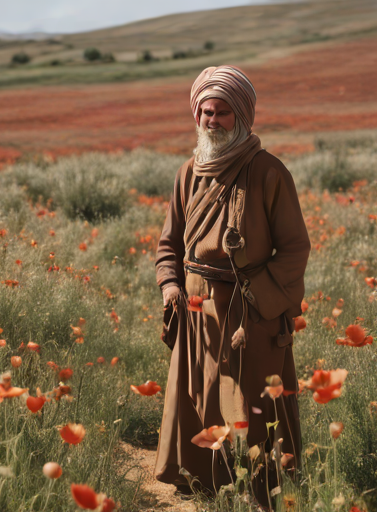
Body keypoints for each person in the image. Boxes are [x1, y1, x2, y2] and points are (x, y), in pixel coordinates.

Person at [153, 65, 310, 508]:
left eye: (223, 112)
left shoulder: (269, 172)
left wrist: (259, 297)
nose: (213, 120)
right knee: (199, 396)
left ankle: (262, 490)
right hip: (196, 308)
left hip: (249, 309)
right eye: (206, 111)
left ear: (241, 116)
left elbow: (295, 248)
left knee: (253, 404)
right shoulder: (188, 172)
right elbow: (169, 243)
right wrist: (170, 285)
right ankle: (203, 484)